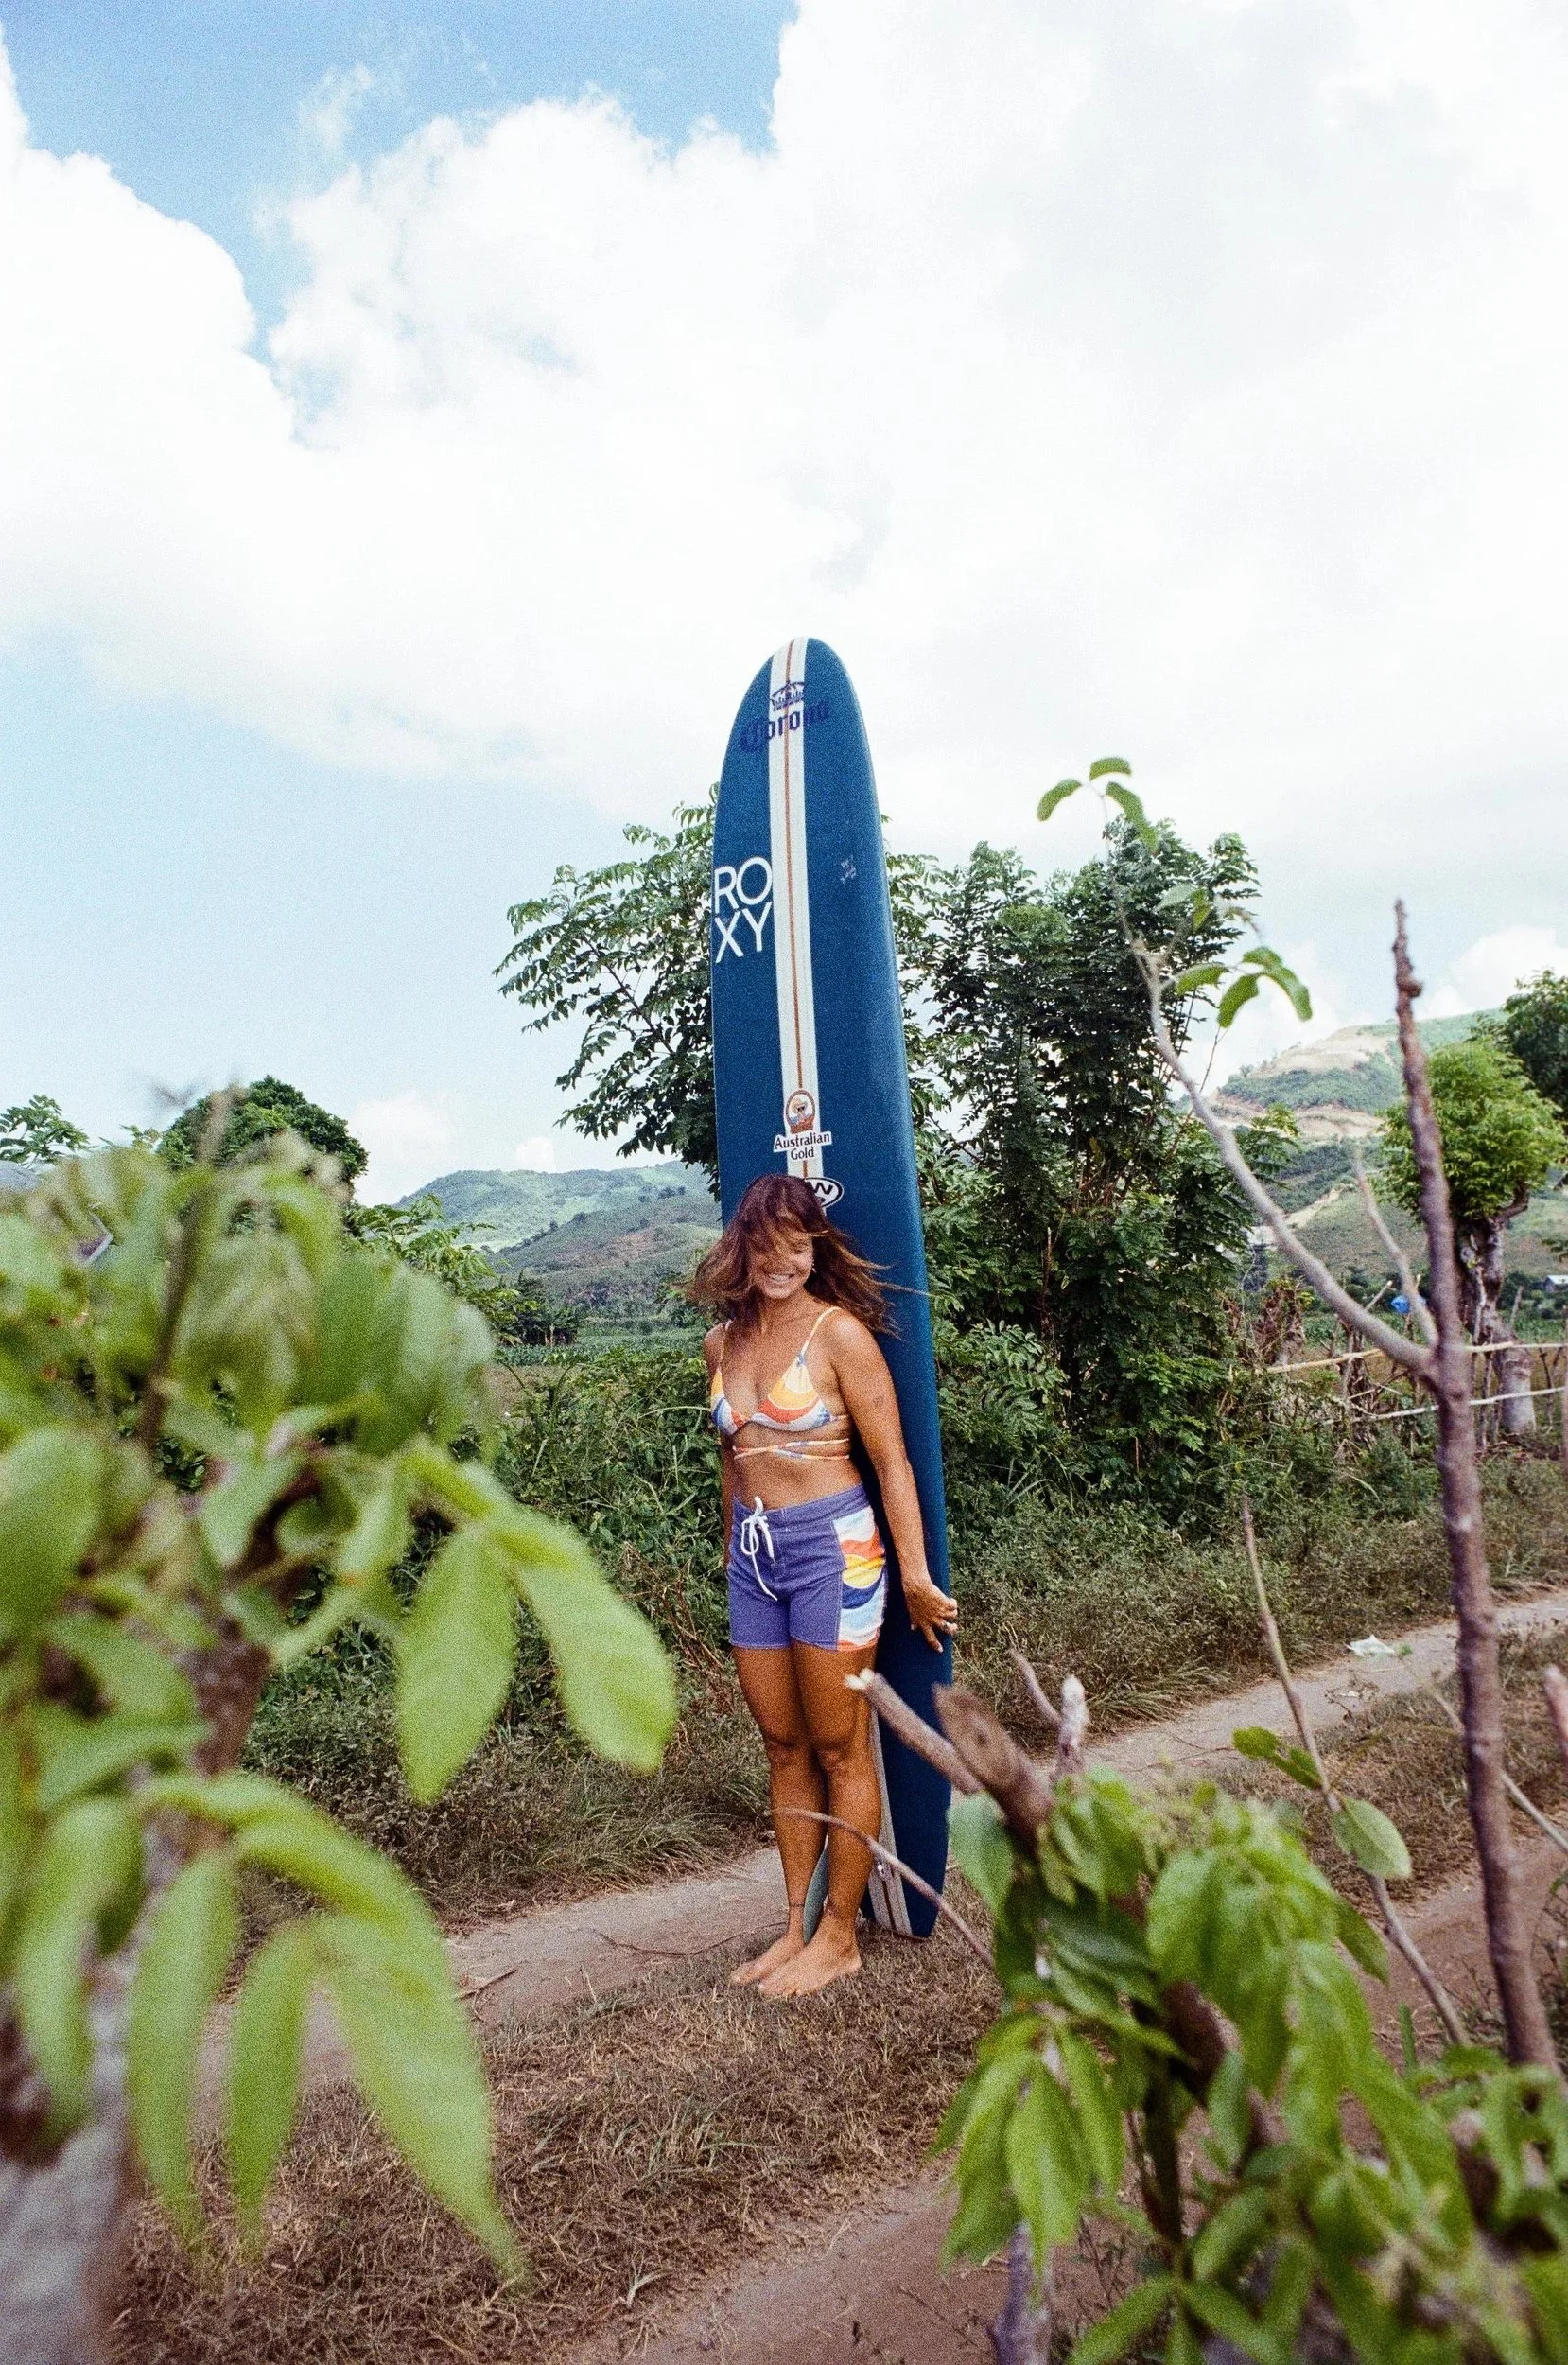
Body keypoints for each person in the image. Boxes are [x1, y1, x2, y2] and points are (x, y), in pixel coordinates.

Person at [690, 1173, 958, 1999]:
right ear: (744, 1249)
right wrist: (735, 1552)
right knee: (783, 1745)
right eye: (768, 1246)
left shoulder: (839, 1335)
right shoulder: (721, 1345)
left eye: (798, 1245)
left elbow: (892, 1462)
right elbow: (733, 1465)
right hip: (757, 1560)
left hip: (835, 1552)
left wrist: (913, 1573)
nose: (783, 1261)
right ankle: (795, 1926)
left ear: (817, 1249)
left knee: (840, 1743)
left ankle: (840, 1936)